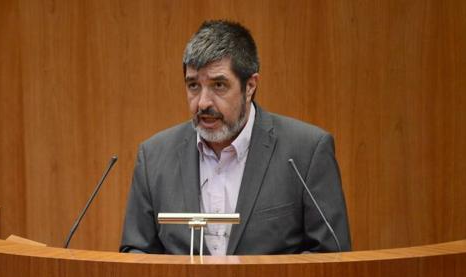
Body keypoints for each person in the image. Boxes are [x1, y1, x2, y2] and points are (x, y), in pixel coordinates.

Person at [120, 20, 351, 255]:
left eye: (219, 85)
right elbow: (136, 254)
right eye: (193, 86)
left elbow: (331, 256)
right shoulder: (153, 157)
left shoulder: (306, 152)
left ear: (250, 86)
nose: (202, 102)